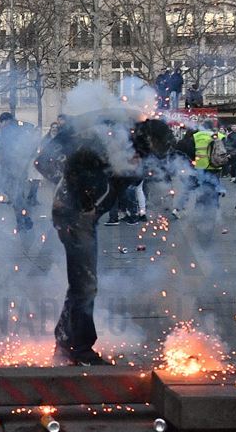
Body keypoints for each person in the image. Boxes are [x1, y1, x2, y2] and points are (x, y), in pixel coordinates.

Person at [48, 117, 174, 365]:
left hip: (82, 217)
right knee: (85, 285)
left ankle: (65, 343)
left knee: (81, 284)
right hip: (73, 215)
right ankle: (79, 349)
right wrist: (84, 199)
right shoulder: (107, 144)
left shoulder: (127, 152)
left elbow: (123, 179)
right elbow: (73, 165)